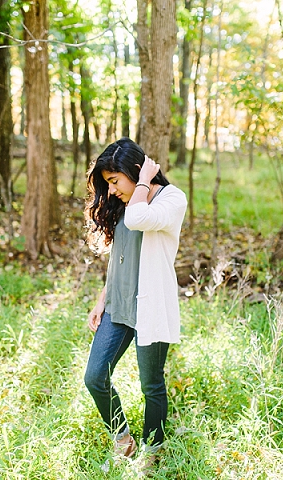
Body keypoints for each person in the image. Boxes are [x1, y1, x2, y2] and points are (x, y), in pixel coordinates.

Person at [83, 138, 187, 466]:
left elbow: (139, 219)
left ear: (135, 172)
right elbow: (120, 256)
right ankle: (122, 439)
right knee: (95, 376)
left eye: (115, 181)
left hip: (150, 308)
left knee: (151, 385)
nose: (111, 191)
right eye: (108, 183)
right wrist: (103, 299)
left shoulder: (171, 199)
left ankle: (152, 450)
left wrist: (142, 183)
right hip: (118, 305)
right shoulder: (124, 202)